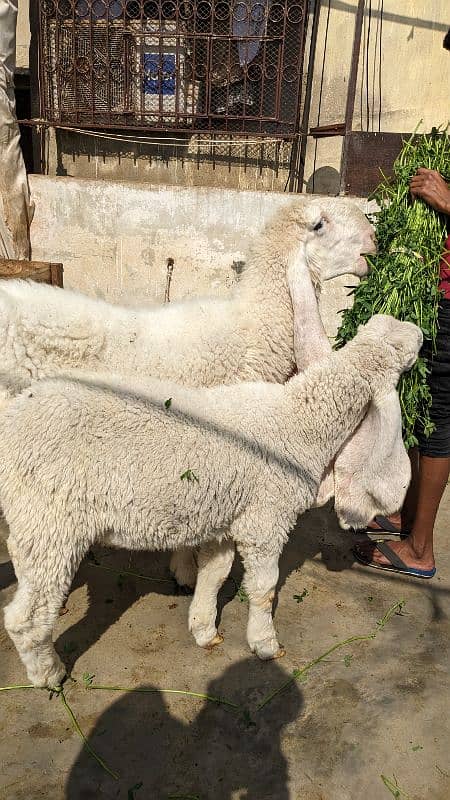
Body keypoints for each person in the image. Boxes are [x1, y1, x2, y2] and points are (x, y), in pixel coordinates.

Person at [353, 29, 450, 579]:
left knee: (439, 419)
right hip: (439, 292)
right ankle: (407, 517)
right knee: (421, 404)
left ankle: (421, 549)